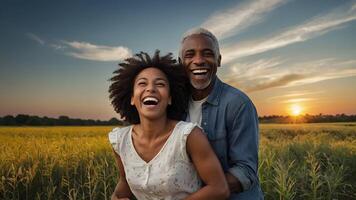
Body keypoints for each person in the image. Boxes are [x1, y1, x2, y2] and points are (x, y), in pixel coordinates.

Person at [108, 50, 229, 200]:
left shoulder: (188, 135)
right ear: (132, 98)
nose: (150, 88)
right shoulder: (120, 141)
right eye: (142, 83)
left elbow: (219, 188)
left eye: (160, 84)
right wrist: (116, 196)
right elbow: (125, 181)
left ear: (170, 98)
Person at [178, 28, 263, 199]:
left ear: (219, 60)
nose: (199, 60)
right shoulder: (173, 103)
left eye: (207, 54)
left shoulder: (238, 104)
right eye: (190, 54)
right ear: (180, 62)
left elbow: (245, 170)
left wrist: (201, 194)